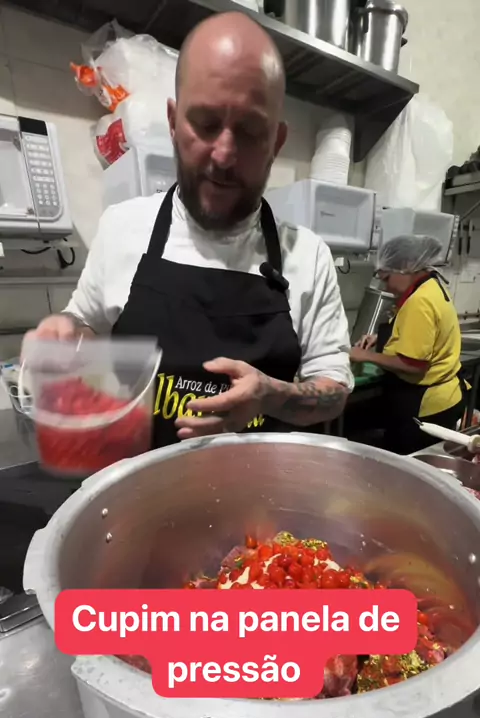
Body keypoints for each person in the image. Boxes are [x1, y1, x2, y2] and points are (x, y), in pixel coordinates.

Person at [23, 11, 353, 449]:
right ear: (174, 123)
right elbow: (84, 325)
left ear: (276, 142)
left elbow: (334, 390)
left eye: (250, 131)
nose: (224, 154)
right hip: (139, 485)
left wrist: (271, 395)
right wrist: (65, 333)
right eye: (206, 123)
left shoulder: (308, 256)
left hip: (260, 491)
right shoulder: (122, 229)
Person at [350, 235, 466, 455]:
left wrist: (364, 355)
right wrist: (381, 337)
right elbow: (423, 332)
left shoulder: (419, 301)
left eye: (387, 278)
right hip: (446, 399)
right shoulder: (430, 286)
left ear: (405, 267)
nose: (386, 286)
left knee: (412, 464)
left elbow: (413, 365)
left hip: (426, 406)